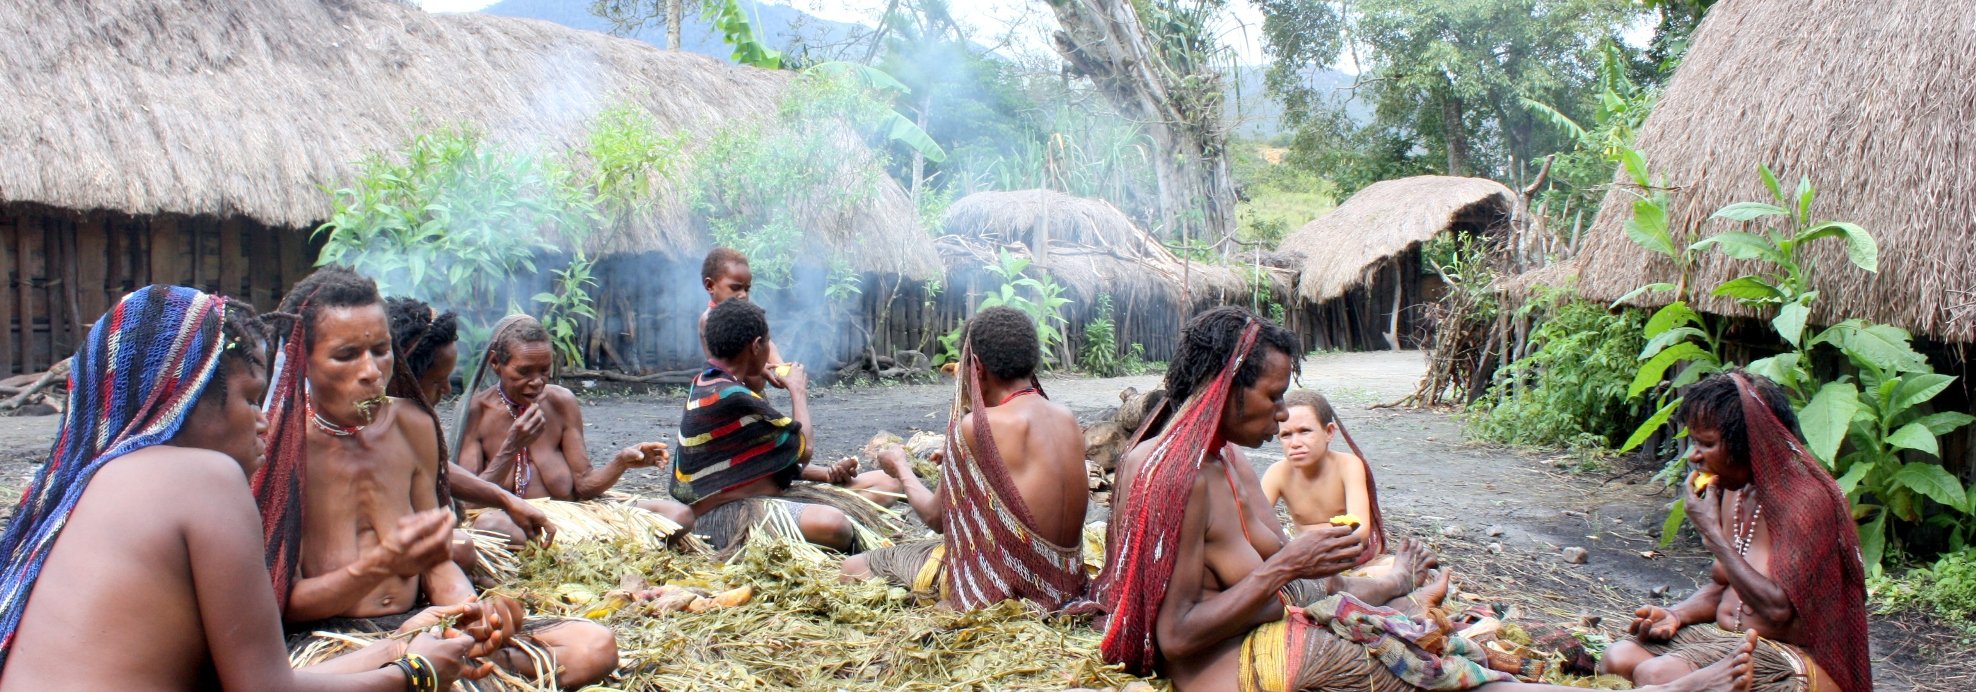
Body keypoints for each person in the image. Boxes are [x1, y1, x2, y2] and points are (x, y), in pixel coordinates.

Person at [1096, 306, 1754, 692]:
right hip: (1234, 668)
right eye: (1271, 399)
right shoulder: (1175, 473)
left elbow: (1276, 576)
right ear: (1222, 386)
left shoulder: (1224, 457)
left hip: (1273, 620)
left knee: (1433, 633)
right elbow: (1177, 637)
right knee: (1436, 670)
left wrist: (1336, 569)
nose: (1277, 417)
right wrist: (1292, 566)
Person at [0, 285, 487, 690]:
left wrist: (396, 647)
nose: (262, 420)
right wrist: (413, 675)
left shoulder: (84, 484)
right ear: (185, 400)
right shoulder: (208, 480)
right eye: (251, 399)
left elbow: (252, 678)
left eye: (380, 351)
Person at [255, 267, 619, 689]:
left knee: (593, 645)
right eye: (346, 355)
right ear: (304, 358)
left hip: (421, 626)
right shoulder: (278, 445)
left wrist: (473, 612)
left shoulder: (413, 425)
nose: (372, 371)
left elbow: (436, 562)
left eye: (380, 350)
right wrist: (380, 569)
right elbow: (283, 603)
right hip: (333, 642)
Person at [1600, 371, 1866, 692]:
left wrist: (1712, 533)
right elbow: (1721, 586)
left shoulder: (1806, 500)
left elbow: (1779, 610)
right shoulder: (1735, 491)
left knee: (1656, 676)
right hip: (1723, 637)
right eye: (1694, 442)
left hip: (1786, 654)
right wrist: (1676, 614)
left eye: (1707, 444)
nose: (1694, 456)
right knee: (1617, 658)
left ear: (1751, 444)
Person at [841, 307, 1089, 610]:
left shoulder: (978, 428)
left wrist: (901, 469)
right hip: (1065, 584)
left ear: (976, 367)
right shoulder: (1066, 418)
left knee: (852, 568)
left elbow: (935, 519)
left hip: (1012, 589)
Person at [673, 298, 900, 555]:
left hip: (768, 495)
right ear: (757, 346)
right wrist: (798, 391)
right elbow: (803, 449)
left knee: (887, 482)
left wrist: (828, 474)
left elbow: (763, 462)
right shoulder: (732, 395)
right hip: (731, 514)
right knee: (834, 525)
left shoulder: (710, 382)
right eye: (768, 343)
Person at [453, 314, 695, 545]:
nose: (537, 381)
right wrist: (511, 446)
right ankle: (569, 550)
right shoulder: (475, 411)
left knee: (678, 515)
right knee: (489, 524)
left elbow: (584, 485)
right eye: (524, 372)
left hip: (575, 515)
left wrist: (621, 462)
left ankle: (574, 550)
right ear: (496, 363)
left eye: (544, 370)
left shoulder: (561, 402)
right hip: (517, 523)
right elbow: (469, 505)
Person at [385, 296, 557, 564]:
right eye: (438, 381)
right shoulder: (369, 416)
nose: (446, 390)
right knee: (464, 546)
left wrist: (506, 499)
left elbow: (437, 465)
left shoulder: (410, 418)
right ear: (401, 377)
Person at [1261, 389, 1388, 563]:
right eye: (1286, 435)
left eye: (1305, 431)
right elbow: (1253, 523)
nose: (1295, 443)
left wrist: (1311, 542)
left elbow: (1361, 531)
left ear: (1329, 432)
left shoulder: (1348, 465)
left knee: (1392, 568)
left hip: (1346, 555)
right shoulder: (1277, 473)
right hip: (1305, 558)